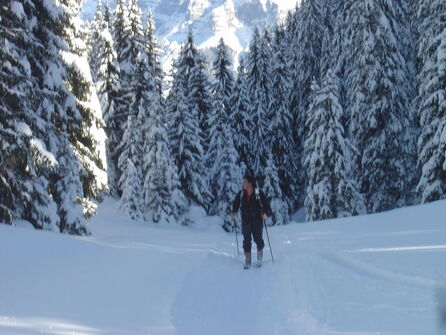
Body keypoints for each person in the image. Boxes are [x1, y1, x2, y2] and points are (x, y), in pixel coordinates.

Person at [231, 175, 271, 268]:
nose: (243, 183)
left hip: (257, 219)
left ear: (250, 183)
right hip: (245, 219)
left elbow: (266, 204)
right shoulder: (241, 193)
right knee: (246, 239)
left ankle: (259, 255)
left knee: (258, 238)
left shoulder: (257, 192)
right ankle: (248, 259)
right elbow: (236, 203)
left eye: (245, 181)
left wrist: (265, 213)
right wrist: (234, 211)